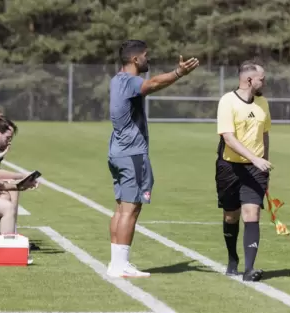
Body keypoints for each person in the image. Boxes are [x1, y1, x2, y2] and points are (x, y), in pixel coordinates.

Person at [106, 40, 199, 278]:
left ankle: (116, 262)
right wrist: (179, 72)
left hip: (118, 152)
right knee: (131, 209)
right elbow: (153, 84)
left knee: (120, 208)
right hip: (132, 153)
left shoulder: (117, 80)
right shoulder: (130, 81)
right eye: (146, 56)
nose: (149, 59)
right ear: (135, 59)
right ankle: (120, 265)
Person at [215, 60, 272, 282]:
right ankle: (232, 259)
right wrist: (255, 158)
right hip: (229, 167)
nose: (264, 81)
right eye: (261, 78)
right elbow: (228, 137)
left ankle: (249, 269)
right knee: (231, 216)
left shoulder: (263, 103)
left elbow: (265, 134)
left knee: (252, 214)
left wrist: (264, 161)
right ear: (249, 79)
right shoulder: (227, 101)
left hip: (256, 169)